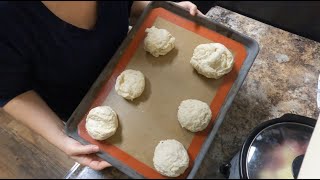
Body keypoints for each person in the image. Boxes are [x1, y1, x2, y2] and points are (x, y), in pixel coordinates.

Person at [0, 1, 203, 171]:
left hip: (136, 64)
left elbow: (128, 4)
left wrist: (162, 8)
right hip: (84, 107)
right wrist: (63, 140)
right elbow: (11, 90)